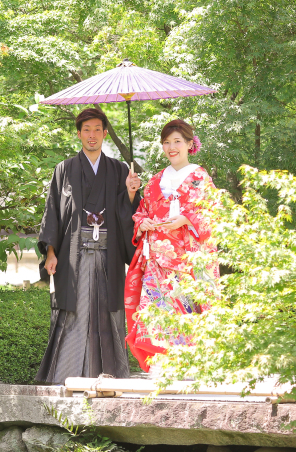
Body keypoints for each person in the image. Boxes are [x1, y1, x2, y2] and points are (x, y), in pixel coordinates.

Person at [35, 108, 142, 384]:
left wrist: (130, 192)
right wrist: (50, 252)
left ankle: (111, 376)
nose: (92, 135)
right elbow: (54, 213)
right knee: (74, 311)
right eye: (86, 130)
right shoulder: (65, 169)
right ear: (79, 133)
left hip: (109, 254)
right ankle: (65, 375)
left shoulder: (119, 170)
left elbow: (128, 214)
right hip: (73, 254)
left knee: (107, 311)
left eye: (97, 129)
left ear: (105, 132)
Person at [124, 119, 219, 372]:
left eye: (177, 141)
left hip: (186, 260)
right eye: (166, 142)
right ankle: (162, 363)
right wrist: (142, 222)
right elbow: (142, 211)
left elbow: (212, 211)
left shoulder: (200, 176)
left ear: (190, 144)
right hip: (156, 259)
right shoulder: (155, 180)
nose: (171, 147)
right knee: (155, 309)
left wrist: (186, 218)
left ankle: (191, 363)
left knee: (186, 309)